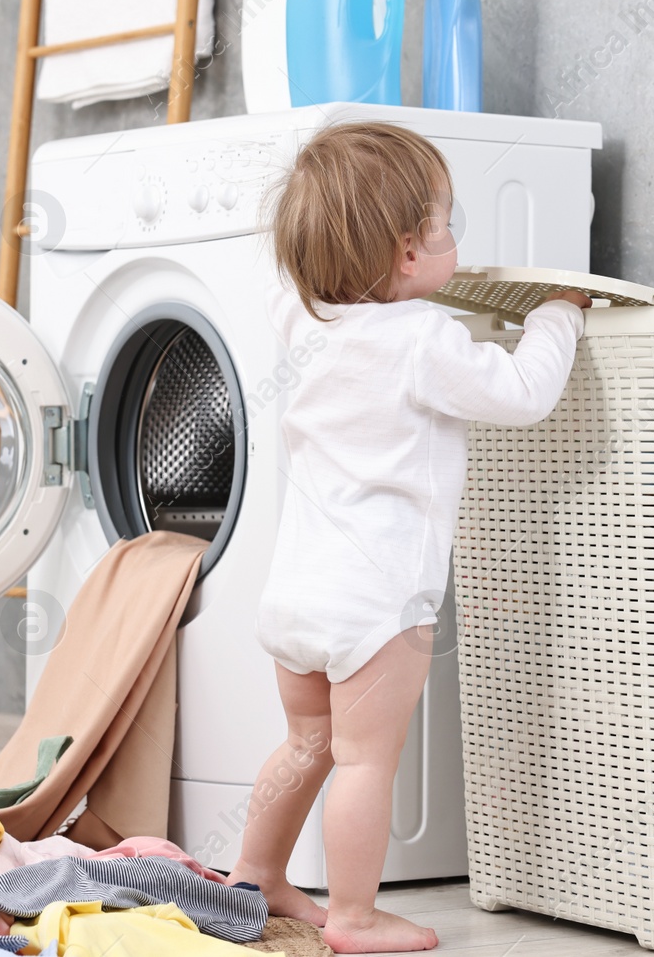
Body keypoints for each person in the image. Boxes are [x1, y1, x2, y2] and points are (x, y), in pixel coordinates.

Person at [227, 121, 590, 953]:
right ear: (405, 256)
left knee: (307, 743)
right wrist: (557, 316)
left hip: (296, 597)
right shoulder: (423, 340)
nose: (454, 236)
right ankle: (353, 915)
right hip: (378, 603)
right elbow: (526, 392)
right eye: (445, 224)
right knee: (363, 761)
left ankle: (256, 872)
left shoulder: (304, 321)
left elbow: (296, 279)